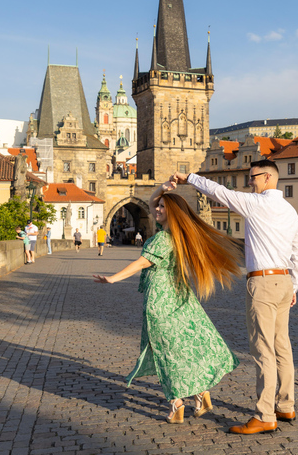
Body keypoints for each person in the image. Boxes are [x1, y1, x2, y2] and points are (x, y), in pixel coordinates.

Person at [172, 159, 298, 435]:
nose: (250, 183)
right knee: (282, 346)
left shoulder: (257, 204)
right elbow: (297, 254)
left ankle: (266, 414)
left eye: (253, 177)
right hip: (283, 281)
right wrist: (293, 287)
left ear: (267, 177)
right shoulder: (291, 211)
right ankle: (286, 404)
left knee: (263, 349)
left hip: (263, 284)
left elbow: (219, 192)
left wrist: (190, 178)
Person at [93, 181, 242, 424]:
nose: (156, 209)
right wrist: (162, 188)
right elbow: (151, 203)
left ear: (171, 212)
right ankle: (201, 394)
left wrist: (113, 278)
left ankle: (176, 403)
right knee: (183, 348)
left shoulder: (162, 239)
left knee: (166, 353)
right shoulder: (177, 237)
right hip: (180, 298)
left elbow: (141, 263)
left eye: (162, 207)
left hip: (160, 302)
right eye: (158, 205)